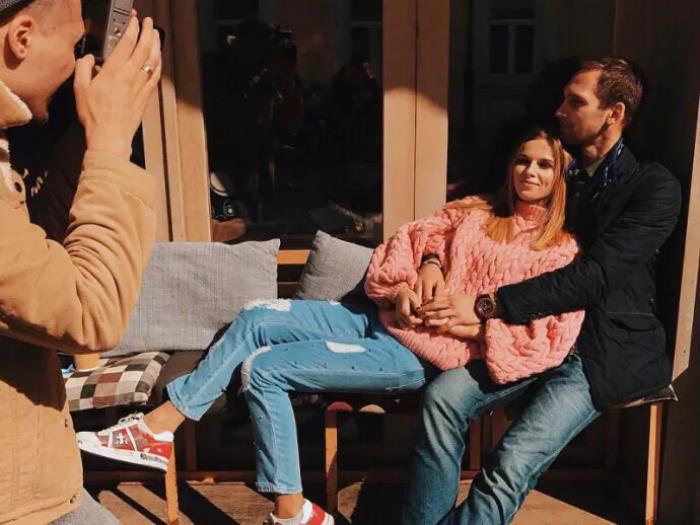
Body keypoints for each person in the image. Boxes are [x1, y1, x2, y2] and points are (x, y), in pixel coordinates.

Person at [78, 126, 585, 524]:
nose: (530, 171)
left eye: (545, 165)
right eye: (523, 160)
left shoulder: (559, 251)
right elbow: (416, 237)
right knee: (257, 314)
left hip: (414, 357)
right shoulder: (474, 212)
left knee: (265, 368)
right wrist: (415, 277)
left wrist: (471, 327)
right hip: (374, 319)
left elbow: (548, 342)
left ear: (561, 177)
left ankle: (291, 511)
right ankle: (160, 427)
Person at [401, 58, 683, 525]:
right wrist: (431, 259)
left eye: (575, 102)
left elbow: (594, 277)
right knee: (440, 400)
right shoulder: (555, 170)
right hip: (532, 336)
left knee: (510, 463)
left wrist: (489, 304)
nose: (560, 110)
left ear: (614, 114)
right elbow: (467, 212)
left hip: (597, 350)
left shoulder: (652, 187)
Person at [0, 0, 162, 523]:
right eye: (75, 46)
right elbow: (88, 312)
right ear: (21, 37)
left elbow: (42, 259)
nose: (80, 62)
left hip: (35, 478)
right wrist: (112, 143)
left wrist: (85, 136)